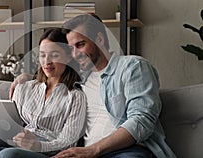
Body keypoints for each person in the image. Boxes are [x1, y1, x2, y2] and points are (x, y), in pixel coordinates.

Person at [10, 14, 177, 158]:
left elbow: (141, 120)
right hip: (85, 154)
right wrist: (26, 78)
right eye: (71, 48)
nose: (75, 54)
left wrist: (93, 150)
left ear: (100, 39)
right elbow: (53, 74)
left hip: (126, 151)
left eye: (80, 45)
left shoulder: (132, 67)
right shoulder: (81, 78)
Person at [0, 28, 87, 158]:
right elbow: (14, 125)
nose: (47, 61)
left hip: (49, 152)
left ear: (68, 57)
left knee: (8, 156)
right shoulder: (24, 88)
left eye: (54, 55)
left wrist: (37, 145)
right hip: (18, 144)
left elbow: (68, 143)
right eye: (43, 55)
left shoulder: (75, 96)